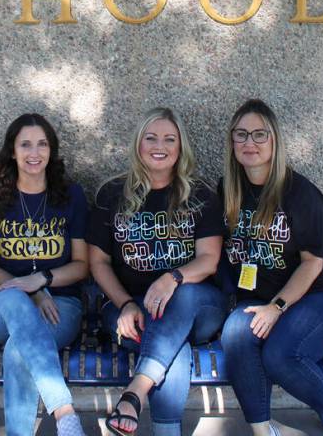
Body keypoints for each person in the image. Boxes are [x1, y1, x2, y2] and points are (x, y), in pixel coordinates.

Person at [218, 99, 323, 436]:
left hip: (315, 301)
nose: (249, 143)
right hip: (259, 299)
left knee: (280, 355)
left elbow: (313, 264)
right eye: (241, 135)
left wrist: (276, 307)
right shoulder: (228, 190)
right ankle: (264, 430)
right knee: (236, 335)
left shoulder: (299, 193)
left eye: (259, 134)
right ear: (231, 142)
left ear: (274, 140)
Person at [88, 107, 225, 436]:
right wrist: (125, 303)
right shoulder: (112, 194)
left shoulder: (201, 195)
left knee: (182, 301)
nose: (159, 145)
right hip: (131, 309)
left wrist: (172, 278)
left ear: (180, 148)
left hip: (196, 305)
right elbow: (99, 263)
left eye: (169, 138)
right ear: (138, 144)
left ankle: (134, 392)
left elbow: (209, 259)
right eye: (150, 138)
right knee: (168, 346)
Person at [0, 113, 90, 436]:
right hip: (1, 304)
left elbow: (82, 264)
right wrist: (29, 291)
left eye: (42, 144)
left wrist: (43, 281)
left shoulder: (70, 195)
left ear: (51, 151)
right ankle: (64, 410)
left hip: (60, 304)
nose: (34, 153)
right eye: (25, 144)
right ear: (12, 151)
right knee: (14, 299)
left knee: (18, 350)